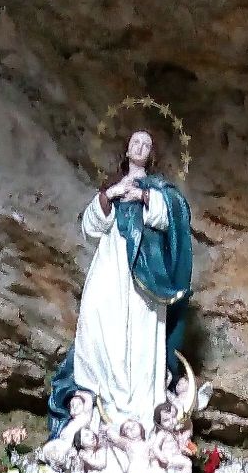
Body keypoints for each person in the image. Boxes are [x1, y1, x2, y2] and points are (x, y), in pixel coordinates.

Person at [46, 129, 194, 440]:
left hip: (145, 278)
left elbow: (173, 217)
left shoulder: (159, 189)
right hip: (110, 270)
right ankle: (99, 416)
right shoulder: (112, 187)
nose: (140, 147)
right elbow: (91, 226)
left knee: (142, 340)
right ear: (126, 150)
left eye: (146, 144)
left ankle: (143, 420)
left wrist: (143, 197)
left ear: (151, 154)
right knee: (98, 328)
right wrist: (111, 195)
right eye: (135, 142)